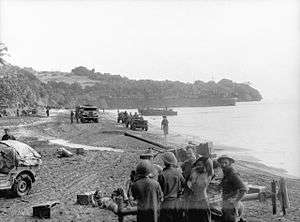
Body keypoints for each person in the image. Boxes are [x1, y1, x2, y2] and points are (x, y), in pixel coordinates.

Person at [217, 155, 247, 222]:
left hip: (231, 205)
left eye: (225, 163)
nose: (223, 165)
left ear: (230, 163)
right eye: (221, 163)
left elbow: (244, 189)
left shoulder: (233, 174)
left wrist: (236, 201)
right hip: (226, 202)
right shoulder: (226, 172)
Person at [158, 152, 185, 222]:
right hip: (177, 202)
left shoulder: (162, 175)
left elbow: (159, 190)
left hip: (166, 203)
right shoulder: (178, 173)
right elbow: (184, 184)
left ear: (165, 162)